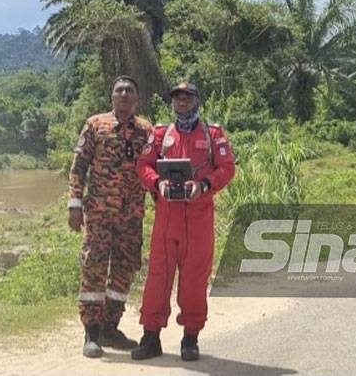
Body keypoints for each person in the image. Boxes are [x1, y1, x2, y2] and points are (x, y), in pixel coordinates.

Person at [131, 81, 236, 362]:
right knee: (157, 279)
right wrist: (157, 184)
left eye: (187, 98)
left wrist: (204, 184)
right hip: (167, 220)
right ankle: (150, 337)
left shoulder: (213, 134)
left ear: (197, 101)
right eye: (177, 99)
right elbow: (144, 166)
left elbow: (227, 168)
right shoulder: (161, 133)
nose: (182, 103)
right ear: (172, 103)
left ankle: (190, 339)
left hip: (199, 220)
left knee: (194, 281)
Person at [68, 75, 154, 358]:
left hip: (131, 217)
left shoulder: (146, 131)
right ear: (112, 97)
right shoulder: (96, 125)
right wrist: (75, 204)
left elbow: (154, 170)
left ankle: (110, 327)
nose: (125, 94)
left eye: (130, 90)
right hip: (100, 216)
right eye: (120, 90)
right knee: (94, 268)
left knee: (124, 270)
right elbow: (79, 167)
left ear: (137, 98)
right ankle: (91, 333)